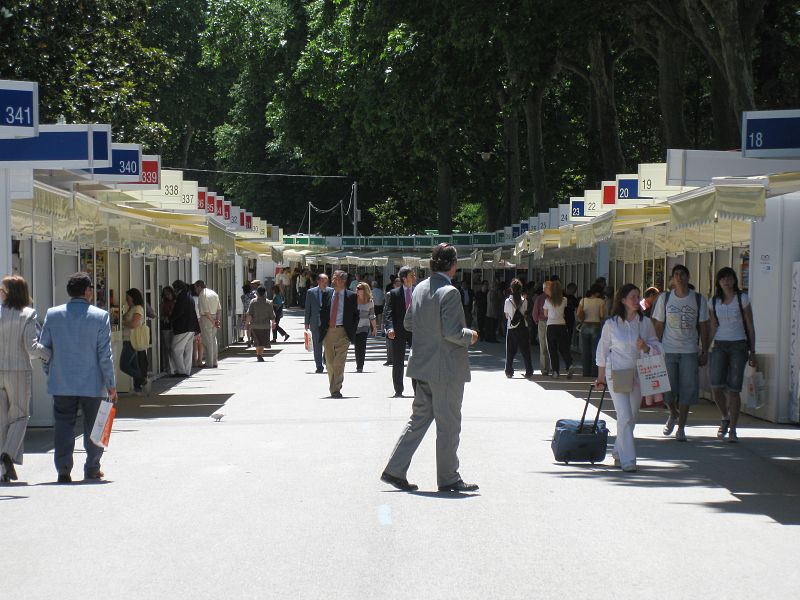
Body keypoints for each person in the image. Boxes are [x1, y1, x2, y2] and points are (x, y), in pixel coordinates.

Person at [381, 244, 479, 493]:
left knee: (418, 420)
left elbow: (408, 322)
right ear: (453, 265)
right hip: (445, 369)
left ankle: (395, 469)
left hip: (422, 365)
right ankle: (448, 477)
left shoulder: (419, 289)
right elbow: (453, 333)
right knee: (448, 425)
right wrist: (471, 335)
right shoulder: (450, 292)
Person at [38, 272, 116, 483]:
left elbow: (44, 351)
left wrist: (50, 373)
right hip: (93, 383)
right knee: (95, 426)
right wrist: (111, 383)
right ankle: (92, 467)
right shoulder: (100, 316)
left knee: (63, 425)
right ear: (88, 291)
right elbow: (104, 354)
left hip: (61, 382)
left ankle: (63, 469)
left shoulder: (53, 315)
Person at [595, 283, 661, 472]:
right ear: (622, 300)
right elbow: (603, 349)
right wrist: (601, 377)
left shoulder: (645, 323)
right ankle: (628, 459)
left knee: (632, 416)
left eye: (637, 296)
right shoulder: (612, 324)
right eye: (632, 296)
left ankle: (618, 451)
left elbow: (656, 345)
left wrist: (646, 348)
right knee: (624, 415)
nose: (636, 300)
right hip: (616, 372)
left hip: (638, 374)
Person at [651, 264, 710, 441]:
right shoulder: (665, 298)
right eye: (676, 274)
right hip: (668, 349)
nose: (679, 277)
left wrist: (705, 349)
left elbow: (704, 326)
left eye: (682, 274)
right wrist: (654, 348)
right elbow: (659, 324)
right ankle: (673, 413)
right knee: (667, 391)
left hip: (689, 350)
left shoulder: (699, 299)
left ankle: (681, 428)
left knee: (687, 389)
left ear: (688, 277)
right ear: (672, 278)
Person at [0, 276, 50, 482]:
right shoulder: (28, 314)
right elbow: (31, 348)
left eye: (2, 289)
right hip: (19, 370)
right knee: (20, 416)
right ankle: (7, 455)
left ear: (10, 292)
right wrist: (49, 354)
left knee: (2, 420)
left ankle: (4, 469)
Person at [709, 267, 756, 442]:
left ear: (734, 280)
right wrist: (705, 348)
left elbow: (750, 325)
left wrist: (753, 350)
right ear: (718, 282)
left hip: (739, 345)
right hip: (720, 344)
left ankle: (733, 430)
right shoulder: (713, 301)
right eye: (723, 279)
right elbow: (713, 326)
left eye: (729, 278)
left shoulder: (742, 299)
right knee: (716, 386)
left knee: (734, 388)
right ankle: (725, 416)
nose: (726, 282)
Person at [319, 270, 358, 398]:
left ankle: (336, 389)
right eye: (333, 278)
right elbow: (323, 313)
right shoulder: (327, 294)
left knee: (339, 362)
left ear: (343, 281)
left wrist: (350, 333)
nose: (333, 281)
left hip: (343, 332)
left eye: (335, 278)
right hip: (329, 332)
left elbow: (355, 316)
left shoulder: (351, 296)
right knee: (329, 363)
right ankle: (333, 387)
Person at [384, 266, 417, 397]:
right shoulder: (394, 293)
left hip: (415, 331)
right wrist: (390, 328)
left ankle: (417, 389)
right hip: (399, 330)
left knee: (416, 360)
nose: (414, 277)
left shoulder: (419, 292)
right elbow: (388, 313)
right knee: (398, 360)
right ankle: (398, 389)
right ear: (404, 278)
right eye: (411, 275)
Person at [169, 280, 200, 377]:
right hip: (191, 327)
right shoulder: (189, 296)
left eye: (175, 288)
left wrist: (170, 319)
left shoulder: (182, 297)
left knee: (176, 349)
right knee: (188, 349)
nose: (174, 291)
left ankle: (181, 371)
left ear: (178, 289)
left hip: (183, 327)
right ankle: (186, 370)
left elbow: (178, 311)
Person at [544, 280, 573, 378]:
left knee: (552, 349)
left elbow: (545, 314)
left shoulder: (547, 301)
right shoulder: (564, 300)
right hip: (562, 326)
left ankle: (555, 371)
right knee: (564, 348)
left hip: (551, 326)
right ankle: (569, 365)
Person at [504, 278, 533, 379]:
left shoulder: (508, 301)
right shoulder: (524, 300)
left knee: (510, 351)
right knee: (525, 351)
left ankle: (509, 371)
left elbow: (507, 316)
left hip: (511, 328)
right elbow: (525, 314)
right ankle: (529, 371)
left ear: (511, 289)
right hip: (523, 327)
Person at [121, 288, 147, 392]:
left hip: (132, 340)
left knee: (124, 365)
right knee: (134, 366)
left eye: (128, 298)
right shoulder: (131, 308)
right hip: (127, 339)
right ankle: (138, 387)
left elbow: (134, 324)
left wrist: (122, 322)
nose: (126, 300)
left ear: (133, 297)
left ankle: (143, 380)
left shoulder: (138, 308)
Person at [304, 272, 332, 373]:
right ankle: (319, 366)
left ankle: (325, 359)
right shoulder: (311, 292)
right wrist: (306, 323)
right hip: (315, 322)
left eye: (327, 281)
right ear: (318, 281)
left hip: (328, 323)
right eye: (323, 281)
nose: (325, 283)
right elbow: (308, 308)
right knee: (317, 345)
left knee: (328, 344)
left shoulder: (331, 291)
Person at [577, 283, 606, 377]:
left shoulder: (583, 300)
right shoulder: (600, 301)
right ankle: (594, 373)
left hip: (585, 326)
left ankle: (585, 372)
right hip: (596, 326)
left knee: (585, 351)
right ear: (597, 293)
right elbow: (602, 315)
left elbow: (578, 313)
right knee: (595, 351)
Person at [194, 280, 221, 368]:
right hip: (214, 317)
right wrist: (217, 320)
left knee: (207, 341)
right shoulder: (213, 293)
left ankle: (209, 363)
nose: (195, 290)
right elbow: (219, 309)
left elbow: (205, 311)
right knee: (213, 340)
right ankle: (214, 362)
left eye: (195, 287)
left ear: (199, 287)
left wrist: (213, 321)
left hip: (206, 318)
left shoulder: (202, 294)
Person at [246, 286, 275, 362]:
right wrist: (273, 323)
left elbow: (249, 314)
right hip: (265, 326)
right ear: (265, 293)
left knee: (257, 341)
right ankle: (260, 355)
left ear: (257, 293)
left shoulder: (253, 302)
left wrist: (247, 324)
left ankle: (258, 355)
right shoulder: (269, 303)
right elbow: (272, 315)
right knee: (262, 341)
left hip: (255, 326)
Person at [354, 282, 377, 372]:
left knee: (362, 346)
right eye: (357, 288)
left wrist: (374, 328)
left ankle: (360, 366)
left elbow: (372, 316)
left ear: (364, 290)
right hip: (355, 326)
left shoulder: (370, 302)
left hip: (364, 326)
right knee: (357, 346)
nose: (357, 290)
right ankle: (358, 363)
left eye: (359, 288)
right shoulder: (353, 299)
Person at [532, 280, 552, 375]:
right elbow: (535, 311)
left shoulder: (554, 298)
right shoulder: (540, 298)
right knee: (543, 345)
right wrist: (537, 321)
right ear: (545, 289)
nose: (552, 289)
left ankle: (552, 368)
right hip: (543, 322)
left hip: (553, 323)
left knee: (552, 346)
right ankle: (544, 369)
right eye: (550, 287)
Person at [383, 276, 401, 366]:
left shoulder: (404, 293)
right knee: (389, 341)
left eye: (400, 285)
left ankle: (396, 359)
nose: (398, 286)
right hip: (391, 320)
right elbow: (386, 308)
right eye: (397, 285)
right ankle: (390, 359)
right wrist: (385, 322)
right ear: (394, 285)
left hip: (401, 321)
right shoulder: (389, 294)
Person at [159, 286, 176, 375]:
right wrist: (164, 318)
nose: (167, 296)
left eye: (169, 294)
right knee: (167, 348)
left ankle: (174, 367)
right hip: (166, 327)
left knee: (174, 348)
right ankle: (169, 368)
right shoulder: (163, 304)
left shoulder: (176, 302)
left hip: (174, 327)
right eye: (165, 294)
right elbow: (160, 315)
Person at [564, 282, 579, 349]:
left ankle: (567, 347)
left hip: (570, 317)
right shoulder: (561, 295)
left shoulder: (574, 298)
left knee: (570, 333)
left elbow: (577, 305)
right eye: (574, 290)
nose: (574, 292)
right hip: (562, 317)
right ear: (569, 289)